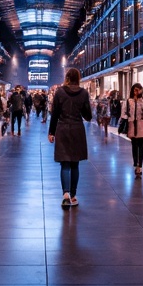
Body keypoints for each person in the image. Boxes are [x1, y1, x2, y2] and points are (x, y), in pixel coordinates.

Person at [48, 67, 92, 208]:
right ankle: (73, 196)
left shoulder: (60, 92)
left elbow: (54, 114)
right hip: (77, 129)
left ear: (67, 77)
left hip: (62, 129)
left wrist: (51, 132)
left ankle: (65, 194)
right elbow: (88, 116)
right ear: (78, 78)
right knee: (75, 164)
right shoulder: (84, 93)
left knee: (65, 163)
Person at [123, 83, 143, 175]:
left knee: (142, 146)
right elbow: (123, 113)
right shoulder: (128, 101)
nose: (137, 92)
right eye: (135, 90)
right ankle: (136, 164)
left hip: (142, 126)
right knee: (134, 146)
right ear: (132, 90)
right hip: (132, 126)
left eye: (139, 90)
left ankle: (140, 166)